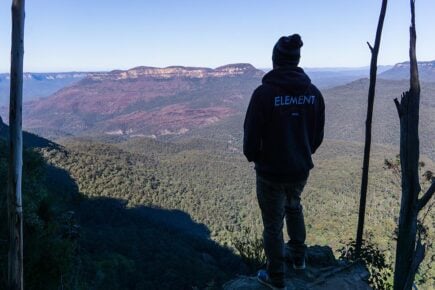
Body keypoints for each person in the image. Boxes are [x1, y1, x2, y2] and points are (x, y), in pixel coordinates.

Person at [243, 34, 325, 290]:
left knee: (272, 224)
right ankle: (299, 259)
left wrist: (255, 157)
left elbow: (251, 137)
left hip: (271, 172)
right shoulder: (313, 93)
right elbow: (317, 136)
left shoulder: (264, 94)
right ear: (297, 60)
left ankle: (276, 278)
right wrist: (301, 153)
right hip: (300, 169)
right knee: (294, 207)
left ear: (275, 60)